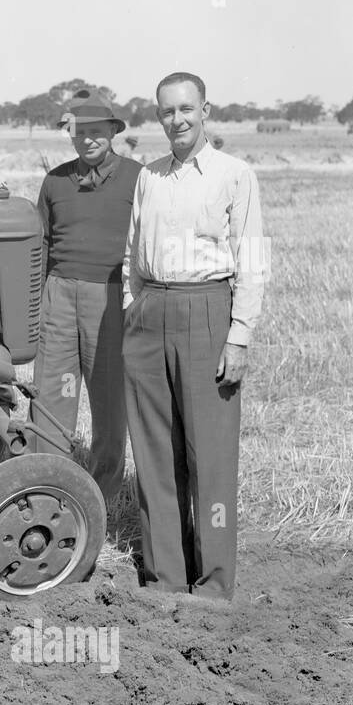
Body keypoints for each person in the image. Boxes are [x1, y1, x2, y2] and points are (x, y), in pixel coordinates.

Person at [122, 71, 268, 600]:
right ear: (157, 116)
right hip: (149, 311)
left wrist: (239, 336)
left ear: (206, 110)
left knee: (209, 456)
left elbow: (253, 261)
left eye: (187, 109)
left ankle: (212, 588)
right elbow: (132, 252)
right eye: (167, 111)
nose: (177, 120)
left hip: (208, 311)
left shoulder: (235, 174)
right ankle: (166, 579)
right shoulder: (149, 176)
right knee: (155, 453)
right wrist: (132, 305)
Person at [31, 90, 141, 505]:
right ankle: (48, 490)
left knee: (110, 400)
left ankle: (101, 498)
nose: (89, 139)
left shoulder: (137, 177)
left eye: (98, 132)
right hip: (58, 293)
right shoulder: (55, 180)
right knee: (51, 395)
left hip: (111, 296)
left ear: (113, 132)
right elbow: (41, 244)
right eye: (80, 132)